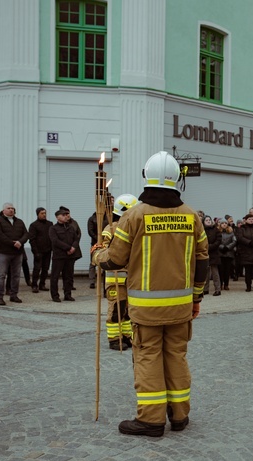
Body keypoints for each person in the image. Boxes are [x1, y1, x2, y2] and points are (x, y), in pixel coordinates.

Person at [92, 150, 208, 437]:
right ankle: (180, 416)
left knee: (148, 357)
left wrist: (97, 255)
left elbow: (116, 259)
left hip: (145, 309)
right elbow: (203, 262)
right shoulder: (191, 216)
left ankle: (151, 419)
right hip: (181, 307)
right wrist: (196, 299)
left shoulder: (134, 216)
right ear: (177, 180)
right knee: (177, 357)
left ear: (147, 177)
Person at [99, 194, 139, 349]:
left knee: (128, 310)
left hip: (131, 277)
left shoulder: (135, 228)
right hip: (115, 278)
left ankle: (127, 336)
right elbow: (104, 250)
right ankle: (115, 338)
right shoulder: (110, 228)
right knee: (116, 309)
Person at [0, 202, 29, 306]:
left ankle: (13, 295)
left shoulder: (19, 222)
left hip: (18, 252)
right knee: (1, 275)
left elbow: (26, 234)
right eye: (8, 208)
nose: (11, 210)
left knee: (16, 275)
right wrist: (13, 243)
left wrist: (20, 242)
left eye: (12, 208)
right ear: (4, 211)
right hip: (4, 252)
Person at [48, 208, 79, 302]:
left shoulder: (70, 227)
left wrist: (73, 247)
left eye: (66, 215)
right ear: (57, 217)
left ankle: (68, 294)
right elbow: (55, 241)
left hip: (70, 256)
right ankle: (55, 295)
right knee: (55, 276)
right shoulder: (53, 228)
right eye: (63, 215)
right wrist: (68, 248)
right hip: (59, 256)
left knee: (69, 276)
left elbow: (76, 238)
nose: (66, 217)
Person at [28, 207, 53, 293]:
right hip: (38, 250)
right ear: (38, 214)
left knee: (45, 268)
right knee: (37, 268)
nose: (44, 215)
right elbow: (32, 239)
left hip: (48, 250)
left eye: (45, 213)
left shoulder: (50, 224)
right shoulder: (34, 225)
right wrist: (35, 251)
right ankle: (34, 285)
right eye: (42, 213)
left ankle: (42, 284)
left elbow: (52, 236)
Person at [203, 215, 222, 296]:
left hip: (214, 253)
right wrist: (205, 247)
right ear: (203, 222)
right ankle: (205, 289)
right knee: (206, 273)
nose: (208, 221)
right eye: (206, 220)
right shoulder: (202, 230)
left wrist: (211, 246)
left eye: (209, 220)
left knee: (215, 273)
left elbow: (218, 240)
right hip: (205, 253)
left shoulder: (216, 230)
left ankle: (218, 289)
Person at [218, 219, 236, 291]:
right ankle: (220, 284)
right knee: (220, 270)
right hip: (220, 254)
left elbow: (234, 241)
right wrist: (222, 247)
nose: (224, 224)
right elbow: (216, 241)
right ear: (220, 225)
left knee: (227, 270)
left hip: (228, 253)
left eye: (225, 223)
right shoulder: (218, 232)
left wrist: (228, 247)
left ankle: (226, 284)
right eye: (223, 223)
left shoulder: (231, 233)